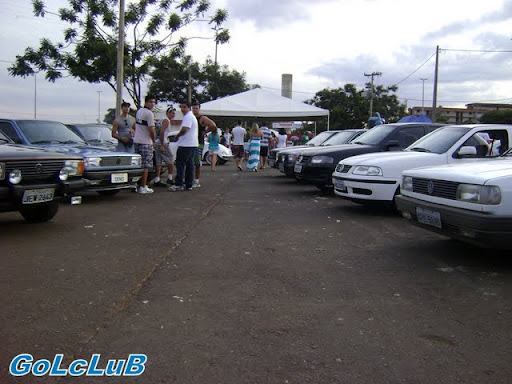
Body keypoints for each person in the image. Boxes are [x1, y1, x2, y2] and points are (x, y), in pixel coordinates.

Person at [169, 101, 198, 192]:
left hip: (185, 144)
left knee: (180, 164)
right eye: (181, 107)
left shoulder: (188, 117)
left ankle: (179, 183)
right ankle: (189, 183)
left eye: (184, 107)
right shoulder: (191, 117)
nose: (182, 109)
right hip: (192, 144)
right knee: (189, 164)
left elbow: (185, 129)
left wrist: (177, 136)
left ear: (189, 108)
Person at [134, 95, 157, 194]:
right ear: (146, 102)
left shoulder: (139, 111)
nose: (152, 104)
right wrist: (154, 139)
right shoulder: (149, 114)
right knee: (146, 166)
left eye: (154, 102)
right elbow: (151, 129)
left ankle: (135, 185)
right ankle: (143, 186)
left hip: (137, 140)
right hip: (146, 142)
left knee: (138, 165)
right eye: (151, 102)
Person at [192, 102, 217, 188]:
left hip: (199, 142)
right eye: (193, 108)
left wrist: (205, 131)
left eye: (196, 108)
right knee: (190, 161)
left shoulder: (202, 118)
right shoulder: (190, 117)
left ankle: (196, 180)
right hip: (191, 142)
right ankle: (190, 179)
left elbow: (213, 125)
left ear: (199, 109)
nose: (195, 110)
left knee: (197, 161)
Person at [152, 107, 176, 187]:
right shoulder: (166, 121)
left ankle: (157, 179)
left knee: (159, 161)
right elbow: (162, 132)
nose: (173, 115)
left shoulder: (162, 120)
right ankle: (169, 178)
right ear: (168, 113)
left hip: (157, 142)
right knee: (170, 159)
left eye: (174, 113)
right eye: (172, 113)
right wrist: (162, 144)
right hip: (162, 143)